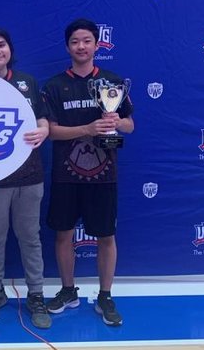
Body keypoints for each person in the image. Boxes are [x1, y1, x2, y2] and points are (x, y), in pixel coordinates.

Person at [41, 18, 134, 327]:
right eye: (75, 42)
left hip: (103, 176)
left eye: (86, 41)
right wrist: (88, 129)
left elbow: (130, 125)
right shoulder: (54, 86)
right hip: (65, 176)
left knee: (106, 236)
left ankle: (105, 295)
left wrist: (116, 122)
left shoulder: (112, 82)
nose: (81, 46)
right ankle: (68, 291)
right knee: (63, 235)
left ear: (97, 44)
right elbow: (51, 132)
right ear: (68, 47)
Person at [0, 27, 52, 329]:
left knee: (30, 238)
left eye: (1, 45)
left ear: (9, 49)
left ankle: (36, 295)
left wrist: (44, 130)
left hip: (30, 176)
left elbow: (42, 118)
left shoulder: (27, 82)